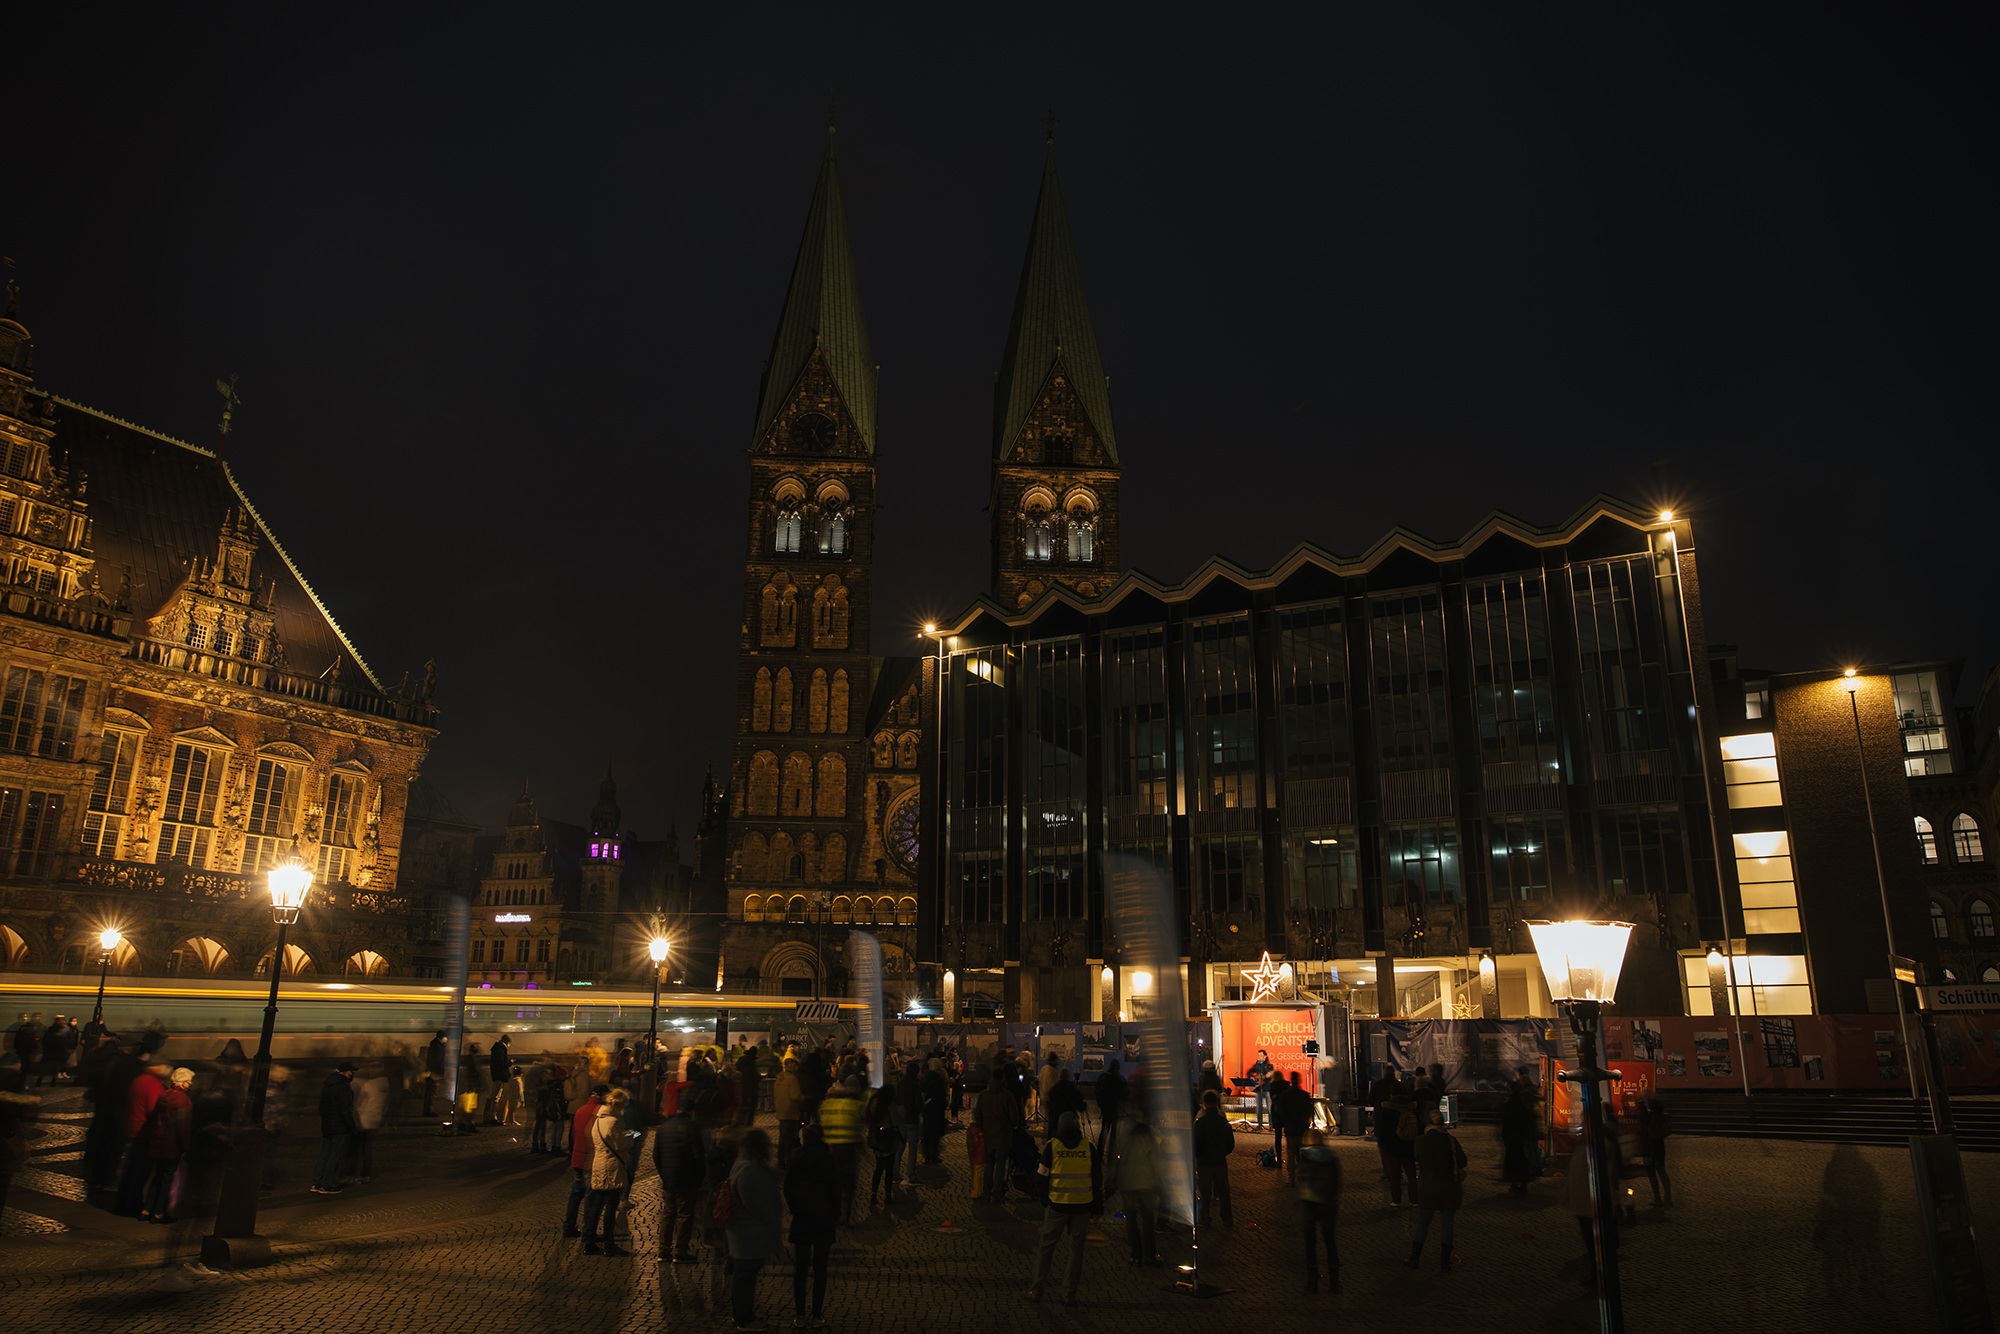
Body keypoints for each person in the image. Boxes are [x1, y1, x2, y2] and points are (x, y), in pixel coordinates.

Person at [1027, 1111, 1102, 1306]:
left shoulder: (1053, 1147)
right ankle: (1069, 1294)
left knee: (1046, 1248)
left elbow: (1041, 1176)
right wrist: (1097, 1207)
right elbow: (1096, 1179)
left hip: (1057, 1205)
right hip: (1083, 1207)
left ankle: (1037, 1289)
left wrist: (1044, 1200)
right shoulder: (1088, 1148)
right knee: (1076, 1251)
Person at [724, 1126, 782, 1331]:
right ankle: (743, 1318)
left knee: (744, 1277)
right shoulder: (751, 1170)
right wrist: (771, 1218)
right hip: (749, 1235)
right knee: (745, 1278)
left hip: (745, 1234)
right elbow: (758, 1204)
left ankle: (742, 1313)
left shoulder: (743, 1164)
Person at [785, 1123, 840, 1328]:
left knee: (800, 1269)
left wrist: (794, 1208)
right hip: (823, 1218)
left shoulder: (795, 1158)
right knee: (820, 1269)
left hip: (802, 1218)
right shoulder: (828, 1160)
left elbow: (788, 1188)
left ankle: (800, 1314)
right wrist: (836, 1215)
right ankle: (816, 1313)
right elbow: (836, 1191)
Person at [1408, 1110, 1468, 1273]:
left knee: (1423, 1223)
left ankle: (1415, 1258)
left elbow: (1416, 1157)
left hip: (1428, 1188)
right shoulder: (1451, 1141)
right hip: (1449, 1188)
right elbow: (1462, 1162)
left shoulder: (1421, 1141)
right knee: (1447, 1225)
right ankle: (1444, 1262)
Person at [581, 1087, 632, 1255]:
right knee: (611, 1206)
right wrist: (630, 1135)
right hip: (612, 1166)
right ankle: (609, 1244)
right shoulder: (615, 1121)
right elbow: (620, 1144)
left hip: (599, 1163)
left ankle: (589, 1240)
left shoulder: (598, 1119)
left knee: (596, 1204)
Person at [140, 1067, 194, 1223]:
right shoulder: (182, 1100)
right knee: (167, 1179)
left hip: (158, 1143)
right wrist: (186, 1148)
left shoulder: (164, 1095)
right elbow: (182, 1128)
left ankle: (146, 1209)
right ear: (183, 1083)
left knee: (157, 1177)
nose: (189, 1085)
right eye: (188, 1082)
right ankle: (159, 1212)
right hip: (172, 1146)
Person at [115, 1056, 169, 1215]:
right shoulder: (152, 1084)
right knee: (140, 1171)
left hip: (133, 1127)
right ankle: (132, 1204)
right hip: (145, 1131)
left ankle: (123, 1202)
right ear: (156, 1067)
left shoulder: (139, 1080)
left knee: (131, 1169)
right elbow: (155, 1109)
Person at [654, 1093, 704, 1262]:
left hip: (668, 1178)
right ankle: (680, 1251)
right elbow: (698, 1155)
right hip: (687, 1177)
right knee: (685, 1214)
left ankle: (663, 1250)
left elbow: (656, 1155)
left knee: (668, 1213)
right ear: (691, 1111)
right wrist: (700, 1177)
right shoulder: (692, 1126)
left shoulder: (663, 1127)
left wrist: (663, 1173)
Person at [1298, 1126, 1343, 1293]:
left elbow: (1301, 1180)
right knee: (1330, 1242)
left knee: (1311, 1244)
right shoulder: (1331, 1158)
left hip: (1309, 1203)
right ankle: (1334, 1282)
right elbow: (1337, 1182)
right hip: (1327, 1204)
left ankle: (1312, 1282)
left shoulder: (1305, 1157)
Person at [562, 1083, 609, 1237]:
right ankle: (589, 1232)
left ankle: (569, 1226)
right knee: (591, 1196)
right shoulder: (599, 1113)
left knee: (576, 1194)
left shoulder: (581, 1110)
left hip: (578, 1157)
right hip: (591, 1159)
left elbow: (573, 1136)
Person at [1114, 1115, 1160, 1268]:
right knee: (1148, 1220)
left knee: (1131, 1221)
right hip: (1146, 1185)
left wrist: (1114, 1181)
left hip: (1128, 1185)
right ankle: (1149, 1254)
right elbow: (1156, 1162)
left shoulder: (1125, 1141)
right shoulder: (1149, 1140)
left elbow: (1116, 1161)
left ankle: (1136, 1254)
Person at [976, 1061, 1024, 1203]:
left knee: (989, 1164)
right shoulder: (1007, 1095)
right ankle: (996, 1194)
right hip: (1003, 1135)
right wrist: (1013, 1125)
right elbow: (1014, 1116)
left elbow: (977, 1113)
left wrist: (982, 1126)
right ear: (1002, 1078)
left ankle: (986, 1192)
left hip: (988, 1135)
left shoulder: (983, 1095)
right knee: (1001, 1165)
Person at [818, 1075, 865, 1222]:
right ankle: (846, 1216)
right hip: (848, 1151)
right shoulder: (854, 1105)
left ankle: (834, 1213)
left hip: (831, 1151)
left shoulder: (826, 1106)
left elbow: (822, 1129)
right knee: (849, 1186)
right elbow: (859, 1128)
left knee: (833, 1184)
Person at [1370, 1069, 1417, 1205]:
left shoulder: (1388, 1109)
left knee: (1395, 1175)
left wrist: (1383, 1143)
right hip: (1408, 1144)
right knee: (1411, 1175)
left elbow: (1385, 1129)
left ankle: (1396, 1200)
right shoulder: (1410, 1107)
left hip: (1393, 1145)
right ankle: (1414, 1200)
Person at [313, 1061, 358, 1195]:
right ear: (346, 1073)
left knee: (323, 1154)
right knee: (335, 1155)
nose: (352, 1075)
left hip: (327, 1125)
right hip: (340, 1127)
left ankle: (316, 1182)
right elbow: (345, 1110)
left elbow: (321, 1108)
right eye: (351, 1072)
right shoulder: (344, 1088)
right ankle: (327, 1184)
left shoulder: (327, 1086)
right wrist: (351, 1127)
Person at [1193, 1089, 1235, 1228]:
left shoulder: (1200, 1122)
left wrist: (1199, 1155)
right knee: (1224, 1192)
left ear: (1204, 1104)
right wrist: (1223, 1152)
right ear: (1216, 1103)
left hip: (1204, 1162)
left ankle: (1205, 1218)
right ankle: (1227, 1219)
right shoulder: (1223, 1121)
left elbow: (1196, 1143)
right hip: (1220, 1161)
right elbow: (1230, 1143)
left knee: (1205, 1193)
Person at [1500, 1068, 1541, 1194]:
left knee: (1517, 1159)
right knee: (1525, 1156)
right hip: (1521, 1134)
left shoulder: (1512, 1104)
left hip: (1514, 1137)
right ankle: (1524, 1181)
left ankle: (1517, 1183)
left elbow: (1507, 1121)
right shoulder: (1522, 1102)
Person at [348, 1065, 389, 1183]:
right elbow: (384, 1106)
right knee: (367, 1149)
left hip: (362, 1120)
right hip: (374, 1121)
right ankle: (366, 1174)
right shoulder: (384, 1086)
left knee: (356, 1149)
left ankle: (352, 1173)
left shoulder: (367, 1086)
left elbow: (360, 1104)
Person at [865, 1081, 900, 1208]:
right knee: (889, 1169)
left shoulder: (874, 1102)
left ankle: (873, 1195)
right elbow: (895, 1120)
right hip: (888, 1137)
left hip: (876, 1137)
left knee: (878, 1168)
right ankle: (887, 1195)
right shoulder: (890, 1104)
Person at [1637, 1090, 1674, 1207]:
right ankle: (1665, 1198)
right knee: (1659, 1171)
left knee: (1655, 1171)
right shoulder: (1656, 1107)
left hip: (1651, 1144)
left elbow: (1644, 1125)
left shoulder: (1649, 1108)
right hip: (1656, 1144)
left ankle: (1660, 1198)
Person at [1277, 1069, 1311, 1185]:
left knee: (1291, 1154)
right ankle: (1303, 1178)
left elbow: (1281, 1112)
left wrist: (1286, 1122)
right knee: (1302, 1154)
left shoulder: (1284, 1096)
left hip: (1290, 1129)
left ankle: (1291, 1178)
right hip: (1302, 1128)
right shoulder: (1305, 1096)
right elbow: (1309, 1111)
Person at [892, 1057, 923, 1184]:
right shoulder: (914, 1086)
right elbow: (918, 1104)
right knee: (912, 1149)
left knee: (899, 1148)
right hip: (912, 1120)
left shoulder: (900, 1084)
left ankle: (895, 1173)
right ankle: (911, 1174)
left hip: (901, 1120)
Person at [773, 1055, 804, 1167]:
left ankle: (780, 1159)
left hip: (781, 1109)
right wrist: (803, 1098)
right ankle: (788, 1160)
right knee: (790, 1138)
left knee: (782, 1137)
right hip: (791, 1110)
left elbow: (775, 1094)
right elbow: (795, 1096)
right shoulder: (793, 1079)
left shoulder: (779, 1078)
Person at [534, 1064, 570, 1154]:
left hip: (546, 1108)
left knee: (542, 1127)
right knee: (542, 1127)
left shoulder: (548, 1084)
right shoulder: (554, 1085)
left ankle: (541, 1145)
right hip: (546, 1108)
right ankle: (540, 1146)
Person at [919, 1058, 949, 1165]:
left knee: (927, 1134)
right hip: (937, 1110)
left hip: (928, 1110)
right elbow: (942, 1095)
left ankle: (927, 1156)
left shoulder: (925, 1078)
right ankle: (934, 1156)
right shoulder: (938, 1079)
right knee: (935, 1135)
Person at [1095, 1058, 1127, 1152]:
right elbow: (1123, 1094)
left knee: (1104, 1129)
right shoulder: (1118, 1078)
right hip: (1114, 1108)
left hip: (1105, 1108)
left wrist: (1100, 1104)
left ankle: (1099, 1152)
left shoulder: (1103, 1077)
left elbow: (1097, 1090)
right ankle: (1111, 1153)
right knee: (1114, 1132)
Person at [735, 1044, 763, 1128]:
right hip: (751, 1090)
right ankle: (748, 1125)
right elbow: (754, 1077)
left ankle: (740, 1123)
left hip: (741, 1089)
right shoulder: (751, 1064)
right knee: (750, 1109)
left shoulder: (740, 1062)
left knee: (742, 1108)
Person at [1247, 1049, 1275, 1130]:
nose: (1259, 1057)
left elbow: (1270, 1074)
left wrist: (1267, 1076)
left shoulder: (1269, 1066)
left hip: (1267, 1088)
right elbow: (1249, 1072)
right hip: (1258, 1089)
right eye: (1258, 1055)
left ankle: (1271, 1124)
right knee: (1259, 1107)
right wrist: (1251, 1077)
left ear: (1265, 1056)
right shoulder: (1256, 1065)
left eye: (1261, 1055)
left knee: (1269, 1107)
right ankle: (1260, 1124)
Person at [423, 1030, 447, 1116]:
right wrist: (441, 1071)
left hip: (432, 1072)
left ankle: (427, 1109)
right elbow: (439, 1060)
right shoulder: (439, 1047)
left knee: (430, 1092)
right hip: (435, 1073)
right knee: (432, 1092)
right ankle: (429, 1110)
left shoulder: (434, 1046)